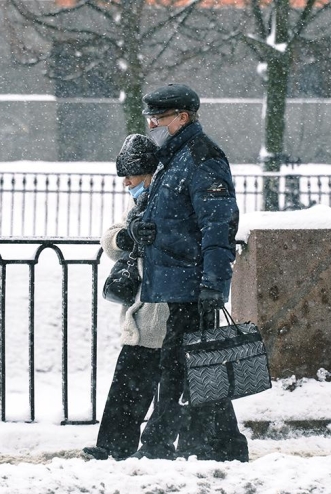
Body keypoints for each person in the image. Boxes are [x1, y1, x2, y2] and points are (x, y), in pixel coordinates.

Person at [128, 83, 248, 462]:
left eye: (158, 118)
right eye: (150, 118)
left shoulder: (202, 156)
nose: (152, 125)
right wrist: (144, 227)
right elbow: (173, 213)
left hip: (193, 283)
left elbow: (218, 224)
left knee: (180, 368)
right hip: (177, 281)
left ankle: (158, 447)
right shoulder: (174, 156)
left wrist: (214, 282)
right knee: (197, 367)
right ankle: (225, 446)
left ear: (183, 116)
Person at [83, 134, 169, 460]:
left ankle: (123, 448)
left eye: (130, 177)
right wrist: (126, 235)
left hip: (164, 307)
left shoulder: (167, 200)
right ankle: (114, 447)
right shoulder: (139, 203)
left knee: (172, 387)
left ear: (147, 173)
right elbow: (109, 239)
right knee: (134, 383)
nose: (125, 184)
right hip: (144, 311)